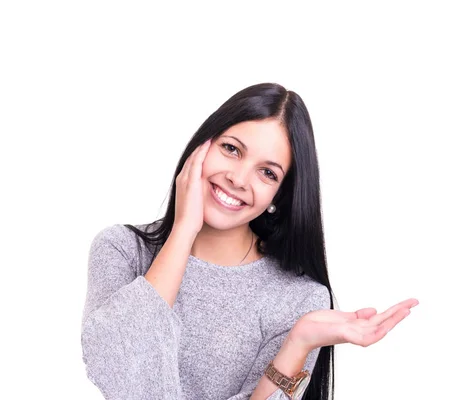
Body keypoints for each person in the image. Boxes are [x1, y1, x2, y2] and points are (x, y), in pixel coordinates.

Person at [80, 82, 419, 400]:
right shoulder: (122, 250)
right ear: (202, 145)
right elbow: (117, 369)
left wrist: (298, 344)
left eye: (267, 172)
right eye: (231, 149)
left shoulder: (299, 298)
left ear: (278, 195)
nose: (238, 179)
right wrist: (185, 229)